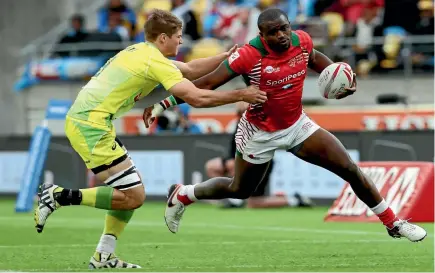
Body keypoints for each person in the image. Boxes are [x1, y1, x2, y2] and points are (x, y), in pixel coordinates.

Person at [144, 8, 427, 242]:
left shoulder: (301, 41)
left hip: (297, 126)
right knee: (239, 190)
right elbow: (204, 83)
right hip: (259, 132)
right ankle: (184, 194)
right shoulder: (248, 55)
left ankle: (394, 223)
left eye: (284, 29)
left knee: (350, 169)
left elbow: (316, 60)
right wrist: (162, 104)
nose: (281, 35)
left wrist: (343, 78)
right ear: (261, 34)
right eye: (273, 32)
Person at [33, 9, 267, 269]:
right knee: (134, 196)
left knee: (130, 193)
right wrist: (240, 94)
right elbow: (196, 98)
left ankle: (103, 255)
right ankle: (58, 196)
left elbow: (189, 69)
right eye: (178, 37)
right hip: (90, 124)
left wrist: (225, 58)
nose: (181, 41)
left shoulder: (142, 51)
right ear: (164, 37)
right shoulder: (152, 61)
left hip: (91, 121)